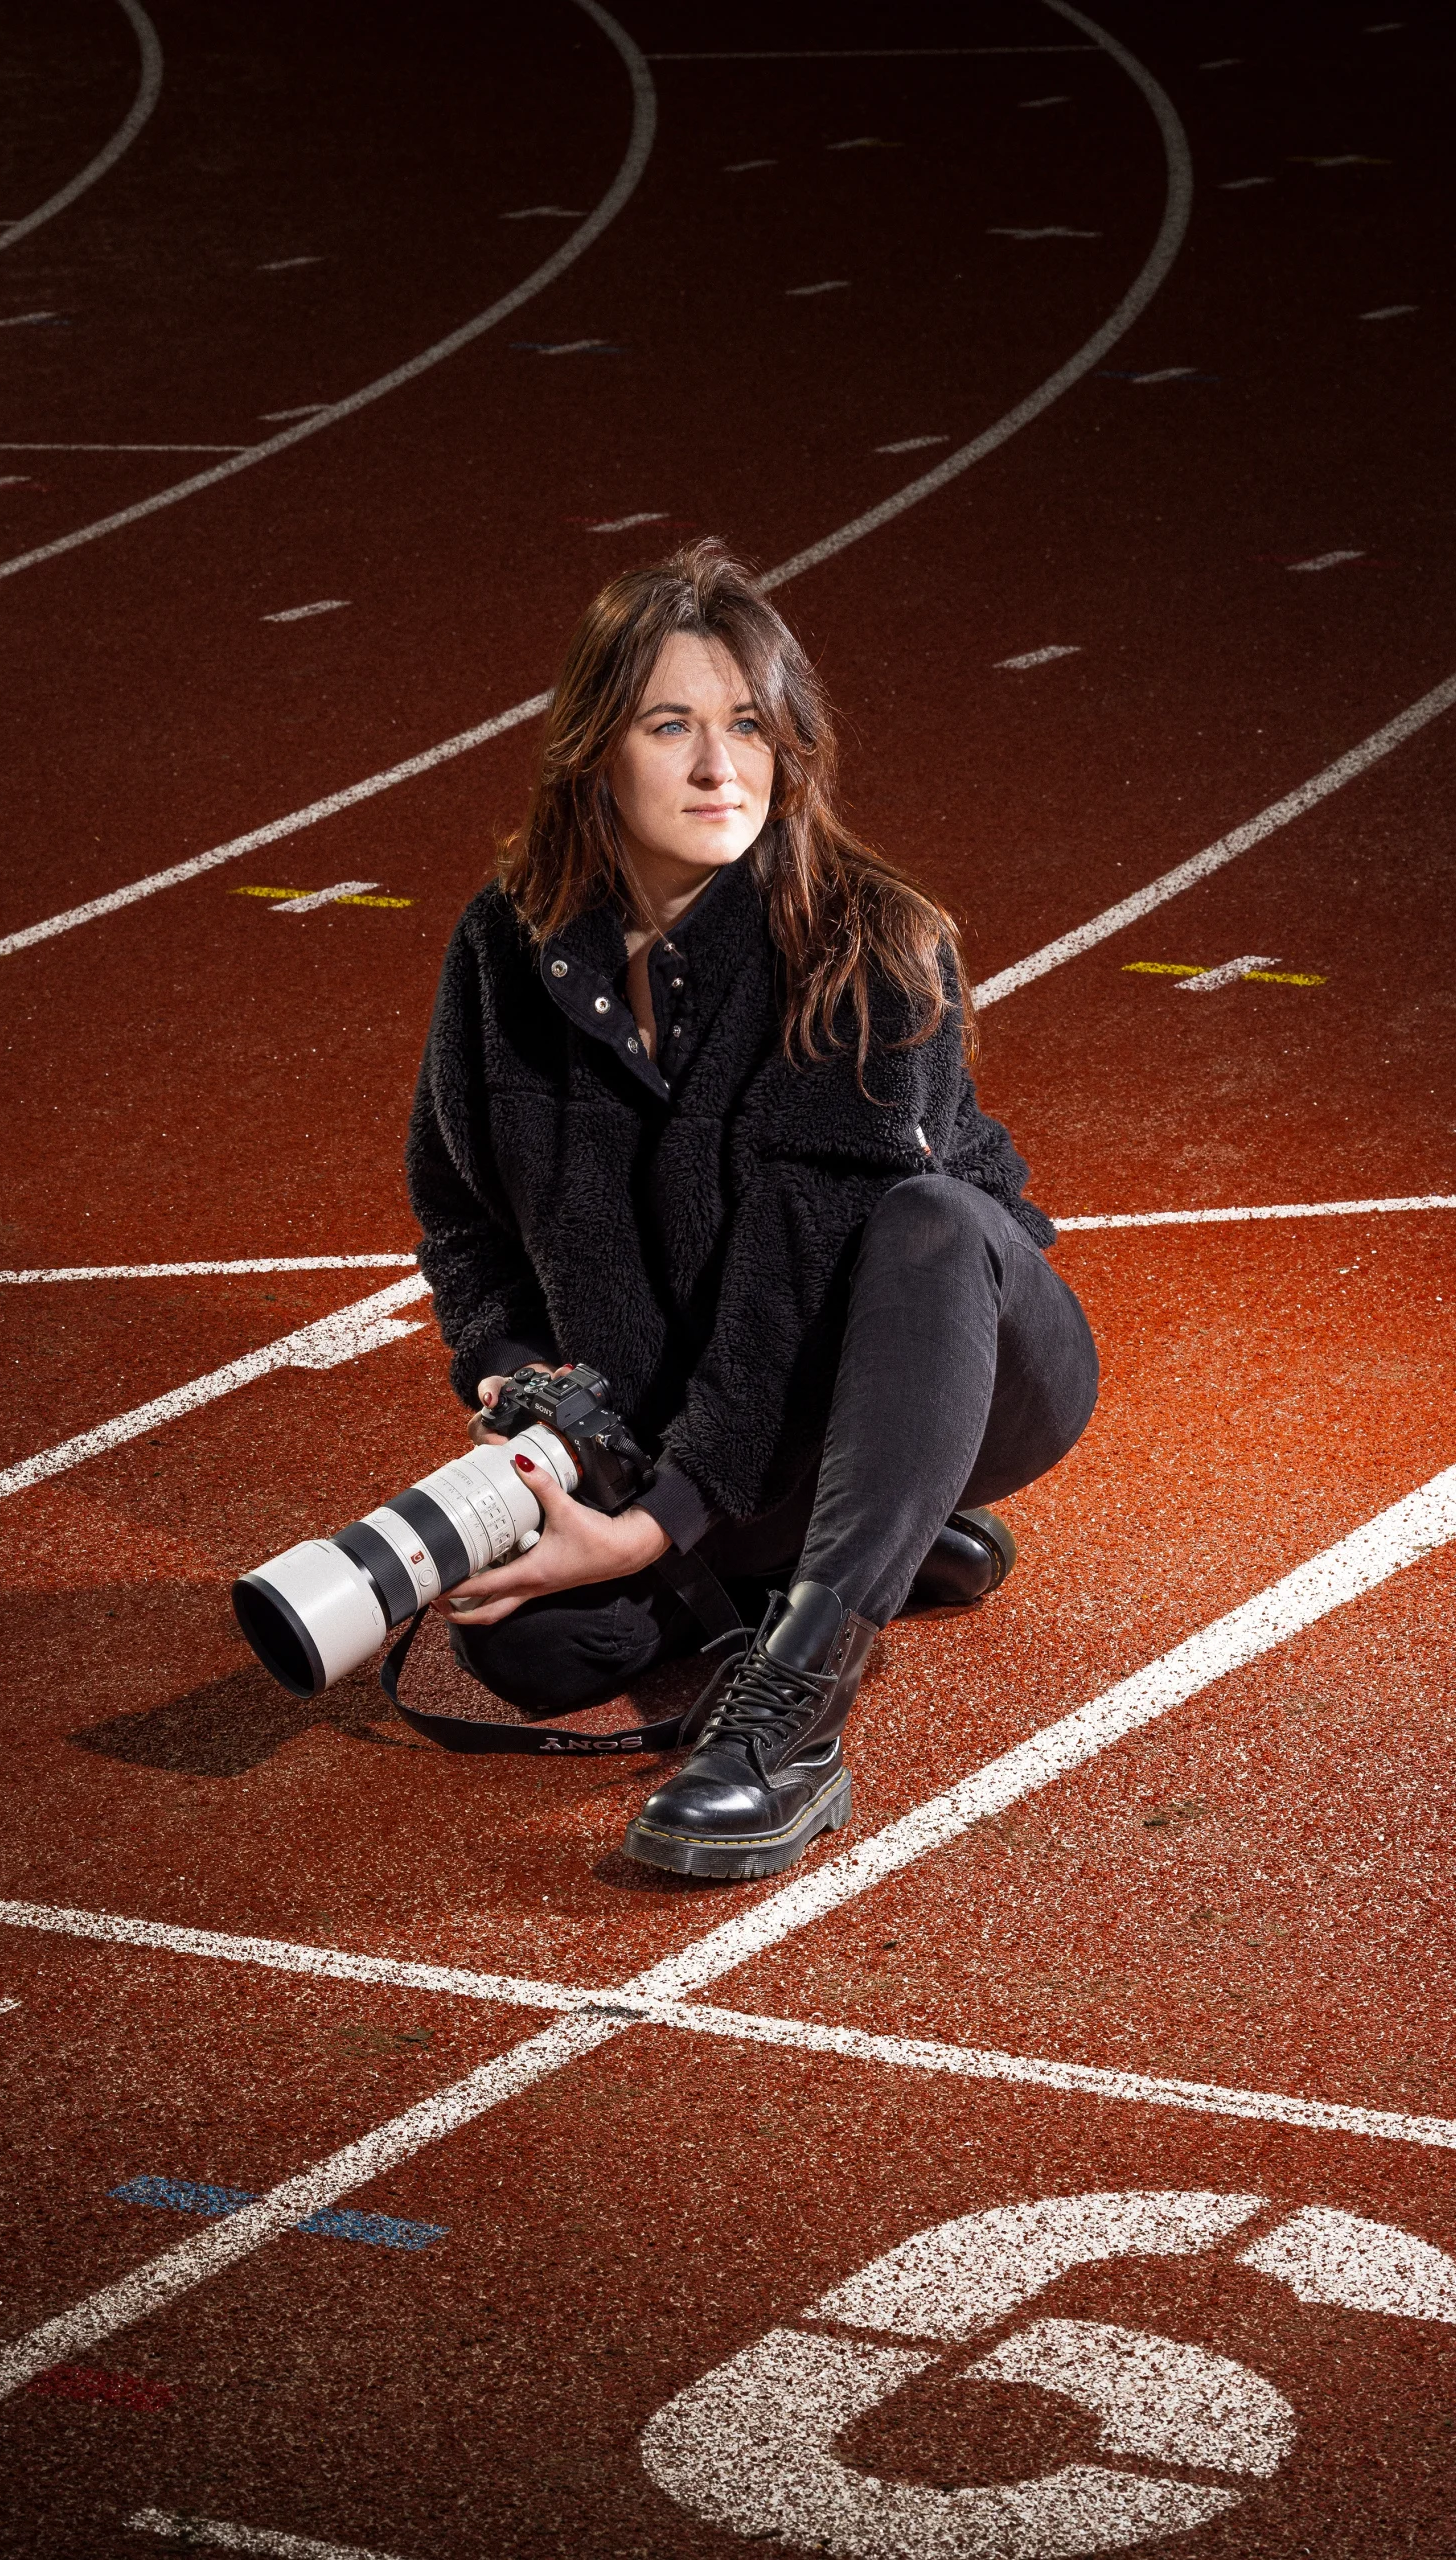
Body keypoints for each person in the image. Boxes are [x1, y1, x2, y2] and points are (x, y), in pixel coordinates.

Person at [405, 541, 1097, 1881]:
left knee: (928, 1222)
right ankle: (870, 1528)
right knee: (523, 1641)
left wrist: (659, 1525)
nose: (721, 768)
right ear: (594, 752)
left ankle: (792, 1714)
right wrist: (510, 1377)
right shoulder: (504, 945)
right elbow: (461, 1219)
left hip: (969, 1347)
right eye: (673, 727)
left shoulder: (872, 945)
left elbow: (791, 1282)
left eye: (749, 728)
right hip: (722, 1415)